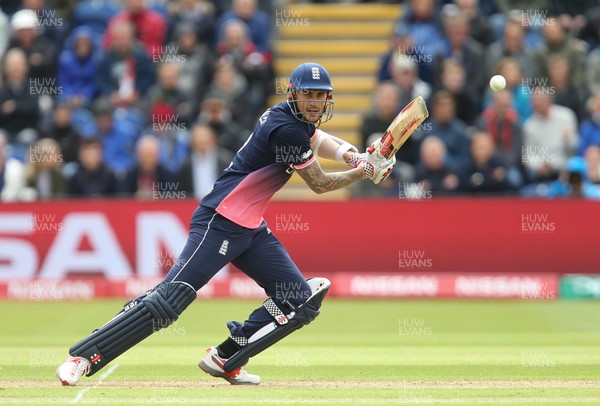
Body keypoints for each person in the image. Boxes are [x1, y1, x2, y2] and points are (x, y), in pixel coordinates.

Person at [56, 62, 395, 386]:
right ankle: (83, 357)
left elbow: (319, 139)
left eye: (322, 96)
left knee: (299, 300)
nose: (316, 103)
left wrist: (355, 157)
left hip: (249, 227)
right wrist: (365, 171)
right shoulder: (287, 128)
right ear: (293, 93)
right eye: (310, 94)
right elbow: (319, 183)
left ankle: (226, 357)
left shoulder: (292, 117)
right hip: (219, 221)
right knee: (169, 301)